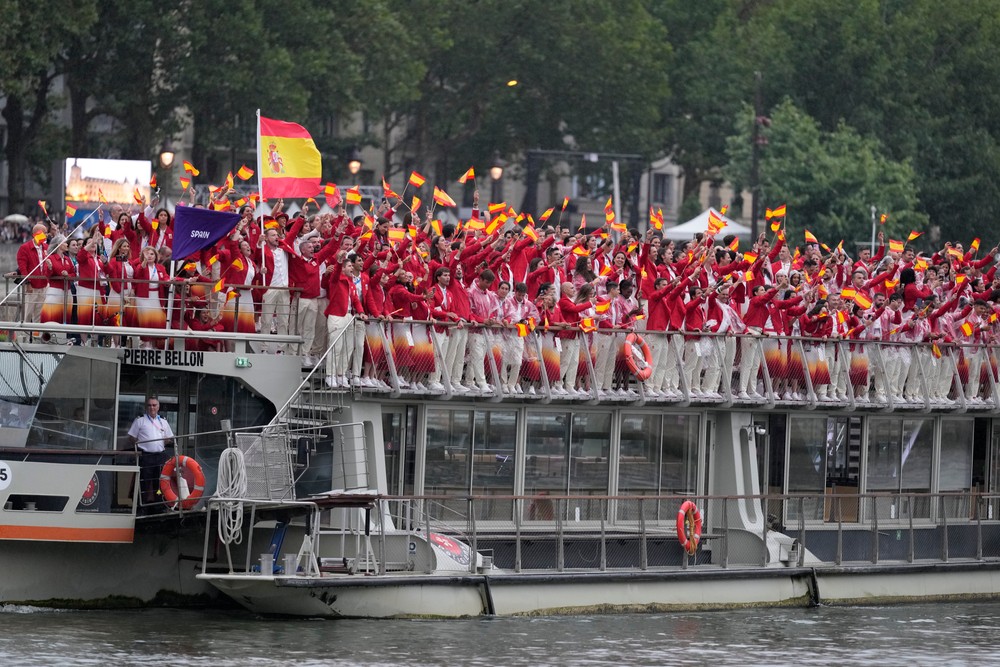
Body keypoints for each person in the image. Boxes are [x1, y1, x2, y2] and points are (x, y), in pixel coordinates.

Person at [127, 396, 174, 511]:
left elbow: (169, 438)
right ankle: (141, 506)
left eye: (154, 405)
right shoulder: (140, 420)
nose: (152, 407)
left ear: (158, 407)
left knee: (160, 482)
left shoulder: (163, 421)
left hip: (160, 456)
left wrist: (164, 441)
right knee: (144, 482)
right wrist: (139, 445)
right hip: (146, 455)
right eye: (149, 405)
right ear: (146, 407)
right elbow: (131, 437)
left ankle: (159, 505)